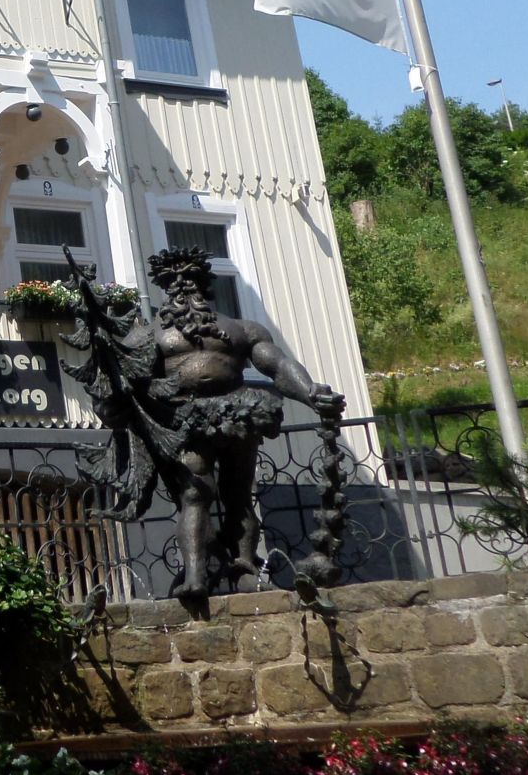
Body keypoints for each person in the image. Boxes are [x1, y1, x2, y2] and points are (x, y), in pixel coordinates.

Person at [66, 246, 342, 602]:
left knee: (239, 495)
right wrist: (110, 410)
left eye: (191, 281)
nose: (185, 289)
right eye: (176, 283)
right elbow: (123, 388)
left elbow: (277, 366)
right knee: (195, 492)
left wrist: (310, 392)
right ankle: (196, 572)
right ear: (166, 290)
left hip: (237, 413)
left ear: (205, 285)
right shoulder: (148, 336)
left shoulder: (243, 330)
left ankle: (244, 568)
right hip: (182, 420)